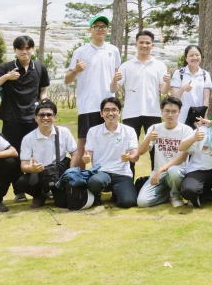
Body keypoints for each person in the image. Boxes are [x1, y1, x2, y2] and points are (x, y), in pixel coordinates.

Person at [0, 34, 50, 201]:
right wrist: (6, 77)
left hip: (33, 119)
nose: (24, 51)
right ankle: (18, 190)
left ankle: (42, 188)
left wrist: (45, 102)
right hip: (11, 118)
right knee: (14, 155)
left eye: (28, 48)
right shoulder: (6, 67)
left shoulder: (39, 67)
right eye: (20, 48)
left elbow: (43, 90)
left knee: (37, 152)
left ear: (33, 49)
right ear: (15, 50)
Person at [65, 15, 122, 167]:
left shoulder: (113, 50)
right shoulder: (81, 51)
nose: (100, 29)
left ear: (107, 30)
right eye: (96, 26)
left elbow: (116, 81)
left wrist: (116, 81)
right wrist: (76, 70)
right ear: (90, 30)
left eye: (103, 27)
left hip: (109, 104)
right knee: (83, 143)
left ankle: (106, 176)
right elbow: (67, 80)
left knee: (109, 141)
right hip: (88, 104)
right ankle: (77, 178)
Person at [16, 99, 77, 208]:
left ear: (55, 117)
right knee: (21, 182)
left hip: (59, 172)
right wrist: (32, 169)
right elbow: (23, 166)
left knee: (62, 204)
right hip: (40, 173)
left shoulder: (64, 132)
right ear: (36, 118)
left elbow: (75, 153)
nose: (45, 118)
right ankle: (39, 195)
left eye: (49, 115)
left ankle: (57, 193)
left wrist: (71, 172)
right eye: (41, 115)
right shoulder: (28, 138)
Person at [135, 97, 194, 208]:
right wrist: (148, 139)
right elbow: (141, 152)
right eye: (167, 111)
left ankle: (175, 195)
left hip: (178, 172)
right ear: (162, 112)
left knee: (173, 172)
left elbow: (182, 157)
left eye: (174, 111)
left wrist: (162, 169)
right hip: (158, 173)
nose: (170, 115)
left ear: (179, 113)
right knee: (142, 202)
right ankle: (167, 194)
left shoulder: (186, 130)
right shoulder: (154, 128)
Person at [111, 30, 170, 138]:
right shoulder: (126, 66)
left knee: (154, 145)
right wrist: (114, 80)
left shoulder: (160, 65)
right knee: (129, 146)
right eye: (141, 42)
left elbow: (164, 90)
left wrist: (168, 82)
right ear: (136, 44)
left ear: (152, 45)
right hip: (131, 112)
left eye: (147, 43)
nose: (144, 45)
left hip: (153, 111)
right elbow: (113, 89)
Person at [84, 97, 140, 208]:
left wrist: (130, 157)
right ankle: (96, 195)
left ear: (119, 112)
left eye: (114, 110)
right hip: (101, 172)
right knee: (94, 182)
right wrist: (86, 159)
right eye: (107, 110)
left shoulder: (129, 130)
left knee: (128, 202)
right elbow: (87, 155)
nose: (110, 113)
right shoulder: (93, 131)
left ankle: (117, 193)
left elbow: (135, 156)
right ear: (101, 113)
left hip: (122, 173)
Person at [170, 44, 212, 127]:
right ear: (186, 58)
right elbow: (175, 97)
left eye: (197, 55)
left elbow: (206, 98)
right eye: (191, 55)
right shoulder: (179, 73)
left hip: (198, 116)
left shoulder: (205, 74)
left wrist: (204, 116)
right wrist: (183, 88)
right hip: (181, 116)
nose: (195, 57)